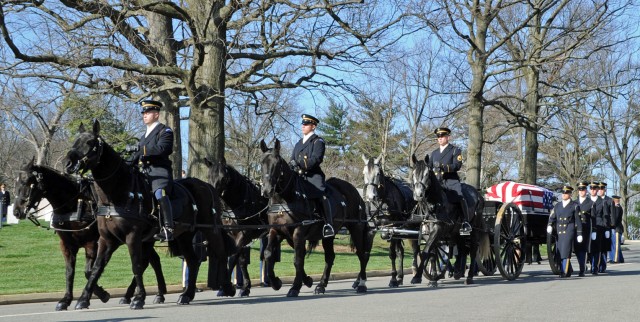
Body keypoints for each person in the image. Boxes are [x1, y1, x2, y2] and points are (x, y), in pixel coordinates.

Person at [127, 100, 175, 242]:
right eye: (143, 113)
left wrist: (140, 149)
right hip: (144, 174)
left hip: (159, 172)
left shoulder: (165, 131)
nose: (144, 115)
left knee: (160, 192)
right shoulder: (144, 136)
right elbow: (134, 158)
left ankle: (168, 228)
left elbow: (162, 149)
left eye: (147, 113)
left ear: (156, 114)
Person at [289, 114, 334, 238]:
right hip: (299, 178)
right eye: (302, 124)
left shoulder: (318, 141)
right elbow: (292, 159)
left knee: (321, 195)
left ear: (313, 126)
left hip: (313, 176)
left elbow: (316, 159)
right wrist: (292, 165)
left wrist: (300, 164)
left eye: (306, 124)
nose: (303, 126)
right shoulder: (298, 143)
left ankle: (327, 224)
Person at [429, 127, 471, 235]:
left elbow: (457, 165)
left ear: (448, 137)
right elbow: (429, 168)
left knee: (459, 196)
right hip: (438, 182)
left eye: (442, 136)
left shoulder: (455, 150)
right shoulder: (433, 153)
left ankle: (465, 222)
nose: (440, 138)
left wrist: (444, 167)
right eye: (438, 137)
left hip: (451, 180)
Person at [547, 185, 582, 278]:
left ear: (570, 194)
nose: (564, 194)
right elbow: (552, 217)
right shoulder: (557, 206)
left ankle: (564, 271)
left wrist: (579, 233)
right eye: (563, 193)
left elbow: (578, 221)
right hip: (559, 230)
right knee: (559, 251)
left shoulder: (574, 206)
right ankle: (568, 269)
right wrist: (549, 225)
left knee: (565, 251)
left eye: (566, 193)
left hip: (568, 230)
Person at [588, 181, 610, 275]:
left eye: (595, 189)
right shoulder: (587, 201)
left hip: (599, 226)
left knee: (597, 249)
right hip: (588, 226)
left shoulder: (603, 202)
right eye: (591, 189)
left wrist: (607, 228)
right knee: (589, 249)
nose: (593, 190)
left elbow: (606, 216)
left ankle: (595, 267)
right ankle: (590, 262)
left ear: (597, 189)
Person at [574, 181, 593, 276]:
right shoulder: (574, 202)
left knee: (583, 249)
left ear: (586, 190)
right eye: (580, 190)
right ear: (578, 191)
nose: (582, 191)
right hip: (576, 228)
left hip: (585, 228)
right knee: (577, 249)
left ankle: (582, 269)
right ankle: (582, 265)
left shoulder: (590, 202)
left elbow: (593, 217)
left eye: (584, 189)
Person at [597, 182, 613, 272]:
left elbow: (611, 215)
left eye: (601, 189)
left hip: (606, 226)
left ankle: (602, 265)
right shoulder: (595, 200)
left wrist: (610, 226)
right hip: (597, 226)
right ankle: (596, 264)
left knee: (604, 247)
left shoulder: (609, 200)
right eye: (598, 189)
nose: (600, 190)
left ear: (605, 190)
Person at [609, 195, 625, 264]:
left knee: (616, 245)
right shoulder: (616, 207)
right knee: (615, 244)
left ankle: (615, 259)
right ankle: (621, 258)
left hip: (617, 228)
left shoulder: (617, 208)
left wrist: (610, 224)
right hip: (615, 228)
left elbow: (615, 218)